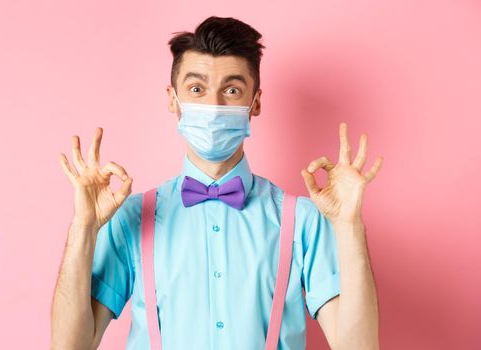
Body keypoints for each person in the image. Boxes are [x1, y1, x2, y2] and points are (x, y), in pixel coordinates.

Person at [51, 16, 383, 350]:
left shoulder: (303, 222)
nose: (213, 106)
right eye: (197, 89)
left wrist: (349, 225)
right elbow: (70, 346)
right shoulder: (132, 218)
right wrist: (83, 227)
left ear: (255, 102)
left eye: (232, 90)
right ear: (172, 99)